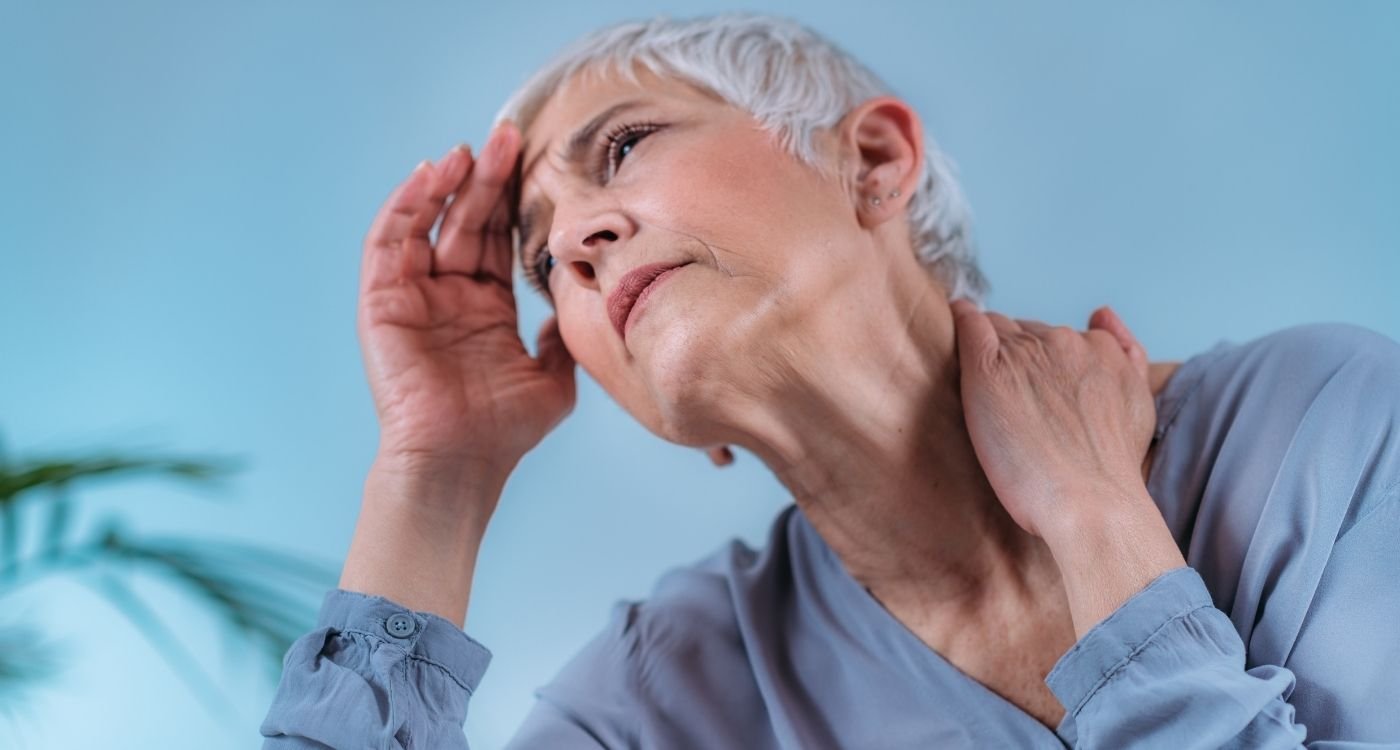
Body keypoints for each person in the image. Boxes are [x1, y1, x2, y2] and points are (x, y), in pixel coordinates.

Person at [259, 13, 1400, 749]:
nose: (581, 244)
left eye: (620, 148)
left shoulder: (1320, 429)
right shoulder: (672, 696)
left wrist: (1101, 530)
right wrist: (434, 472)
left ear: (871, 162)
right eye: (542, 262)